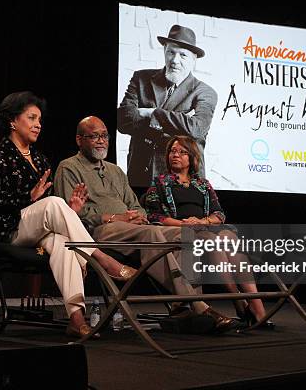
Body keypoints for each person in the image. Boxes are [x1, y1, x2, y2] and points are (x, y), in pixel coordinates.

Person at [54, 116, 239, 333]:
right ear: (79, 139)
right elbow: (71, 214)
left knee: (185, 237)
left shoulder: (115, 170)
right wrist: (115, 218)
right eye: (94, 136)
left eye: (104, 136)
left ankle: (182, 310)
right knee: (152, 234)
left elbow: (135, 204)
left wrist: (138, 216)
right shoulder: (68, 168)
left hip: (133, 228)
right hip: (100, 231)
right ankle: (199, 306)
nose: (101, 141)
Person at [0, 92, 136, 339]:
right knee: (53, 203)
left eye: (39, 119)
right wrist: (28, 198)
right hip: (8, 228)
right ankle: (101, 258)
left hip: (39, 230)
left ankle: (76, 318)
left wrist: (73, 211)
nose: (38, 124)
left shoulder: (39, 158)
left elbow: (48, 213)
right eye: (31, 118)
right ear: (12, 121)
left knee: (65, 245)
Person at [142, 135, 274, 329]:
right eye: (172, 151)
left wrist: (202, 221)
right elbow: (154, 216)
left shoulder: (203, 184)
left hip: (205, 226)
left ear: (192, 158)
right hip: (183, 231)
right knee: (212, 239)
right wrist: (183, 225)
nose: (175, 155)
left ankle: (256, 306)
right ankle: (238, 300)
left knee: (228, 237)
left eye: (182, 152)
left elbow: (219, 214)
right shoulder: (160, 183)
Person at [117, 24, 218, 187]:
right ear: (164, 51)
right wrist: (180, 123)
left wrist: (151, 113)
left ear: (194, 60)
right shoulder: (141, 78)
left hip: (182, 182)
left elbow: (197, 129)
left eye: (183, 55)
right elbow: (123, 120)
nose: (175, 61)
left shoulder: (205, 92)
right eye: (171, 52)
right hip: (139, 175)